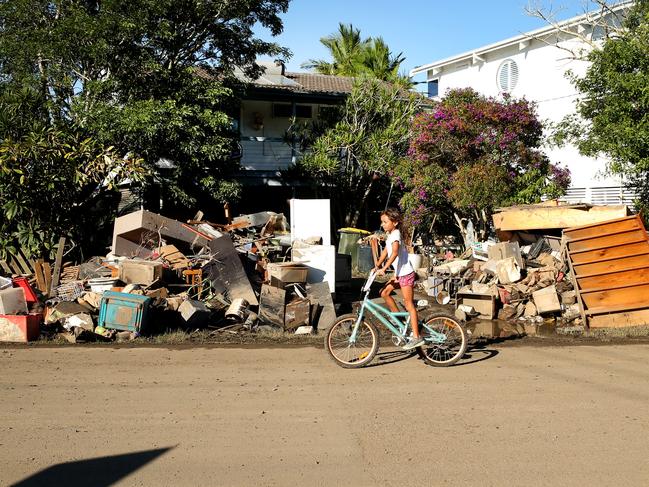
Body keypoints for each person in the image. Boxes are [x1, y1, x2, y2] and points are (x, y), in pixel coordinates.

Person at [372, 207, 423, 350]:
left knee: (409, 305)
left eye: (385, 222)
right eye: (382, 222)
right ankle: (398, 319)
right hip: (399, 275)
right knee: (384, 292)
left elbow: (394, 253)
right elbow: (386, 251)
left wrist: (384, 268)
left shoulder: (396, 235)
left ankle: (416, 337)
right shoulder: (391, 234)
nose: (382, 225)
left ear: (394, 222)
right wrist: (376, 265)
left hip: (406, 274)